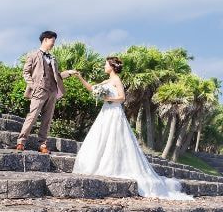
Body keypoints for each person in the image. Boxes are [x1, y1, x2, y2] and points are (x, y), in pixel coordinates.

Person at [71, 57, 192, 200]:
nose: (104, 66)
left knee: (114, 139)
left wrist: (109, 99)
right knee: (99, 138)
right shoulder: (106, 81)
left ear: (112, 66)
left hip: (115, 113)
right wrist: (80, 77)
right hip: (105, 113)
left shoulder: (116, 80)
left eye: (106, 64)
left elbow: (122, 98)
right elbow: (92, 89)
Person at [16, 31, 76, 153]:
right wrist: (33, 86)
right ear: (45, 40)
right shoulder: (33, 55)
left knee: (47, 119)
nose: (54, 43)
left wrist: (68, 73)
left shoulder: (53, 58)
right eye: (52, 41)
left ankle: (42, 144)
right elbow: (26, 72)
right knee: (32, 116)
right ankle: (21, 142)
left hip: (52, 91)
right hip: (39, 90)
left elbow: (57, 75)